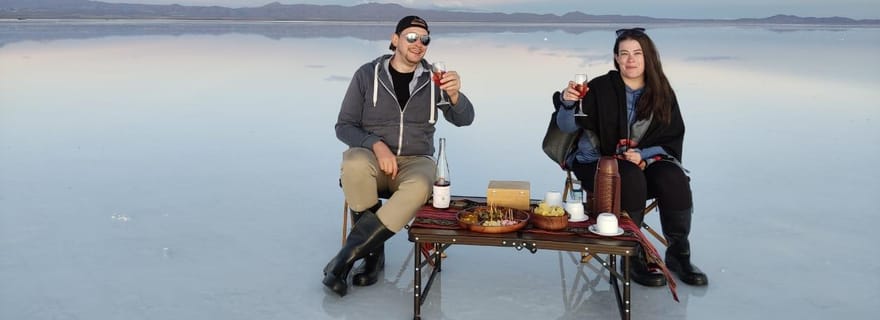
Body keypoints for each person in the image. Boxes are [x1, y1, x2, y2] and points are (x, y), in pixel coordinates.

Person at [324, 15, 475, 297]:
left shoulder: (434, 80)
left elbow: (464, 119)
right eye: (411, 37)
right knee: (354, 163)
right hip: (374, 159)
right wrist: (377, 146)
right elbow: (343, 126)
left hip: (416, 161)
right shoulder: (367, 75)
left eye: (425, 39)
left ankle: (346, 258)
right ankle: (373, 256)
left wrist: (456, 97)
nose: (419, 44)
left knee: (419, 185)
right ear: (395, 40)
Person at [553, 27, 708, 286]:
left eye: (637, 53)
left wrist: (643, 155)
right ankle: (632, 255)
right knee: (631, 176)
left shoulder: (661, 92)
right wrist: (568, 103)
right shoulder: (599, 88)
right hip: (597, 162)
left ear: (648, 57)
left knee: (673, 177)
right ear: (616, 58)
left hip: (641, 160)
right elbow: (567, 127)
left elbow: (670, 135)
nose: (630, 59)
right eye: (623, 54)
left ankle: (679, 254)